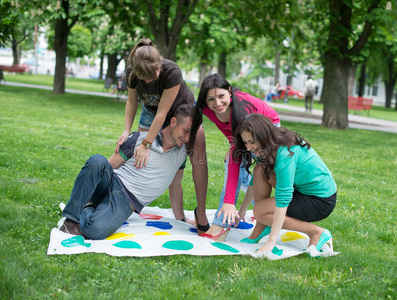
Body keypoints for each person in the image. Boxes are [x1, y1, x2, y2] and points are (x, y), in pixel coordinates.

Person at [60, 104, 194, 240]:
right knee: (97, 161)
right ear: (173, 122)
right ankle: (70, 221)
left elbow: (176, 185)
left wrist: (181, 219)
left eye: (191, 133)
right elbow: (108, 166)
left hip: (126, 202)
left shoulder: (182, 154)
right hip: (112, 182)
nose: (187, 138)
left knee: (93, 230)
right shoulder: (141, 139)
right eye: (186, 131)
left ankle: (86, 207)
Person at [115, 38, 209, 231]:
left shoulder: (172, 72)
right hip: (152, 112)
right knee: (138, 157)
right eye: (146, 79)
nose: (152, 79)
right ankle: (123, 199)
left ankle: (194, 214)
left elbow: (163, 113)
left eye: (155, 74)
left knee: (181, 165)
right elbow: (132, 102)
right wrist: (127, 131)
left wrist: (147, 143)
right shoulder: (132, 73)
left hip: (181, 112)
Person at [188, 73, 280, 241]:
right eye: (210, 99)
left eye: (221, 96)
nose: (217, 103)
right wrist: (232, 142)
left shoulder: (242, 110)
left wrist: (229, 201)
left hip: (268, 126)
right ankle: (251, 217)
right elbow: (225, 127)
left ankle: (223, 222)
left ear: (229, 92)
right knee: (243, 173)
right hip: (242, 134)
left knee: (260, 171)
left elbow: (236, 159)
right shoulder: (209, 110)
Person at [234, 113, 337, 257]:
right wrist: (242, 210)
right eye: (245, 143)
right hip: (303, 191)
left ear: (263, 135)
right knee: (260, 169)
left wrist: (272, 240)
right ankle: (262, 225)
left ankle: (316, 232)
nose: (249, 147)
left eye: (251, 142)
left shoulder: (285, 154)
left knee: (259, 211)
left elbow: (283, 197)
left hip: (319, 201)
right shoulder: (271, 144)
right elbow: (256, 181)